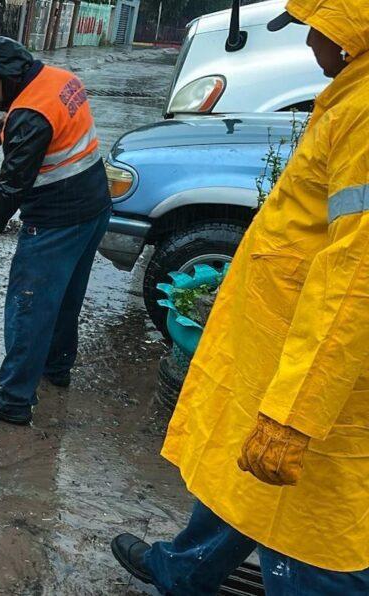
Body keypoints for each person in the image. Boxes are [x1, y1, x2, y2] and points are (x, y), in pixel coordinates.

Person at [111, 0, 369, 592]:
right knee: (245, 469)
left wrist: (294, 415)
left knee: (307, 530)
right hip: (283, 350)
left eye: (315, 30)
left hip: (319, 382)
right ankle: (184, 570)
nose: (307, 46)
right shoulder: (352, 91)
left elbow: (357, 279)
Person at [0, 37, 111, 425]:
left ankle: (13, 400)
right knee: (65, 298)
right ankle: (56, 369)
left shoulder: (29, 115)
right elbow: (46, 125)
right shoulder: (59, 79)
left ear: (9, 78)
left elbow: (12, 187)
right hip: (94, 208)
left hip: (57, 220)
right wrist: (8, 127)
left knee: (29, 304)